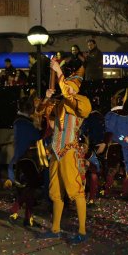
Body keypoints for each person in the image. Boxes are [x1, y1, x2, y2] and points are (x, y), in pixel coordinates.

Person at [38, 59, 92, 244]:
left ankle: (83, 231)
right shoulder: (60, 104)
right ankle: (55, 229)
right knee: (56, 192)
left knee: (75, 191)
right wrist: (47, 97)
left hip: (69, 151)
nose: (65, 87)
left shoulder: (82, 102)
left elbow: (69, 95)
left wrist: (58, 71)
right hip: (56, 151)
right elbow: (40, 113)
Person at [7, 96, 43, 227]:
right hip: (28, 158)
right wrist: (40, 127)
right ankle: (15, 209)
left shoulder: (19, 121)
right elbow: (37, 136)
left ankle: (28, 218)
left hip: (22, 158)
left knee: (29, 189)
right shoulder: (25, 123)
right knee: (31, 186)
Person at [103, 88, 128, 200]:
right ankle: (125, 193)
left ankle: (106, 191)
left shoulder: (110, 115)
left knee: (112, 170)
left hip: (115, 146)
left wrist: (105, 143)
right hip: (127, 147)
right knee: (127, 171)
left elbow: (109, 131)